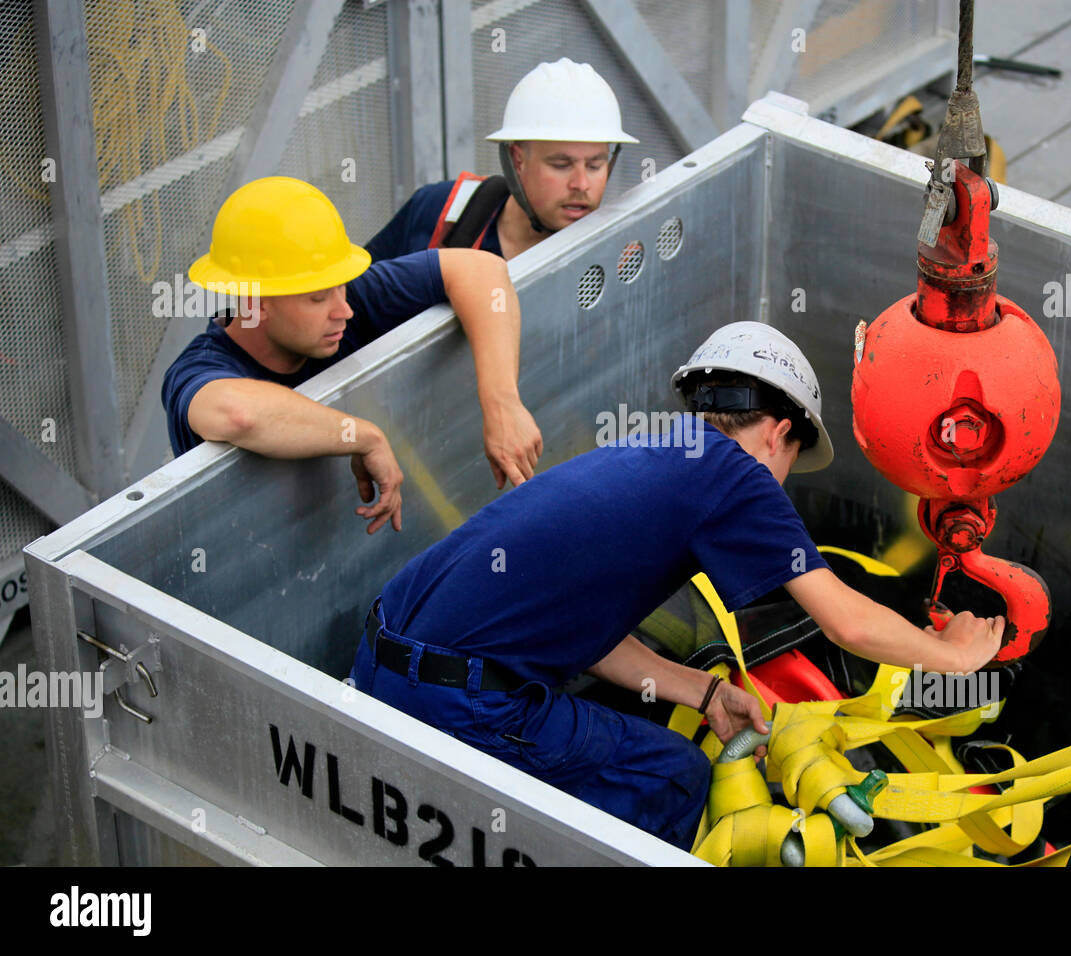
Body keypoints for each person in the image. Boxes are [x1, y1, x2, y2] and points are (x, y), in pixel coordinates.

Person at [348, 322, 1005, 850]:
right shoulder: (736, 475)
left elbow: (583, 631)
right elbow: (848, 624)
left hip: (378, 662)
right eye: (791, 468)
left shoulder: (648, 454)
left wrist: (705, 690)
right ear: (779, 434)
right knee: (672, 776)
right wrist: (952, 655)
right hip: (457, 701)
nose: (780, 486)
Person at [162, 176, 542, 533]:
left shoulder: (350, 300)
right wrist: (362, 435)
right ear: (255, 302)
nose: (343, 309)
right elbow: (239, 413)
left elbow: (484, 272)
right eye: (317, 298)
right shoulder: (200, 367)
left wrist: (502, 403)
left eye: (341, 287)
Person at [365, 58, 637, 262]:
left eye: (594, 166)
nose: (581, 184)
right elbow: (353, 305)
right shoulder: (440, 211)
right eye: (561, 165)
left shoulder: (620, 262)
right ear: (518, 160)